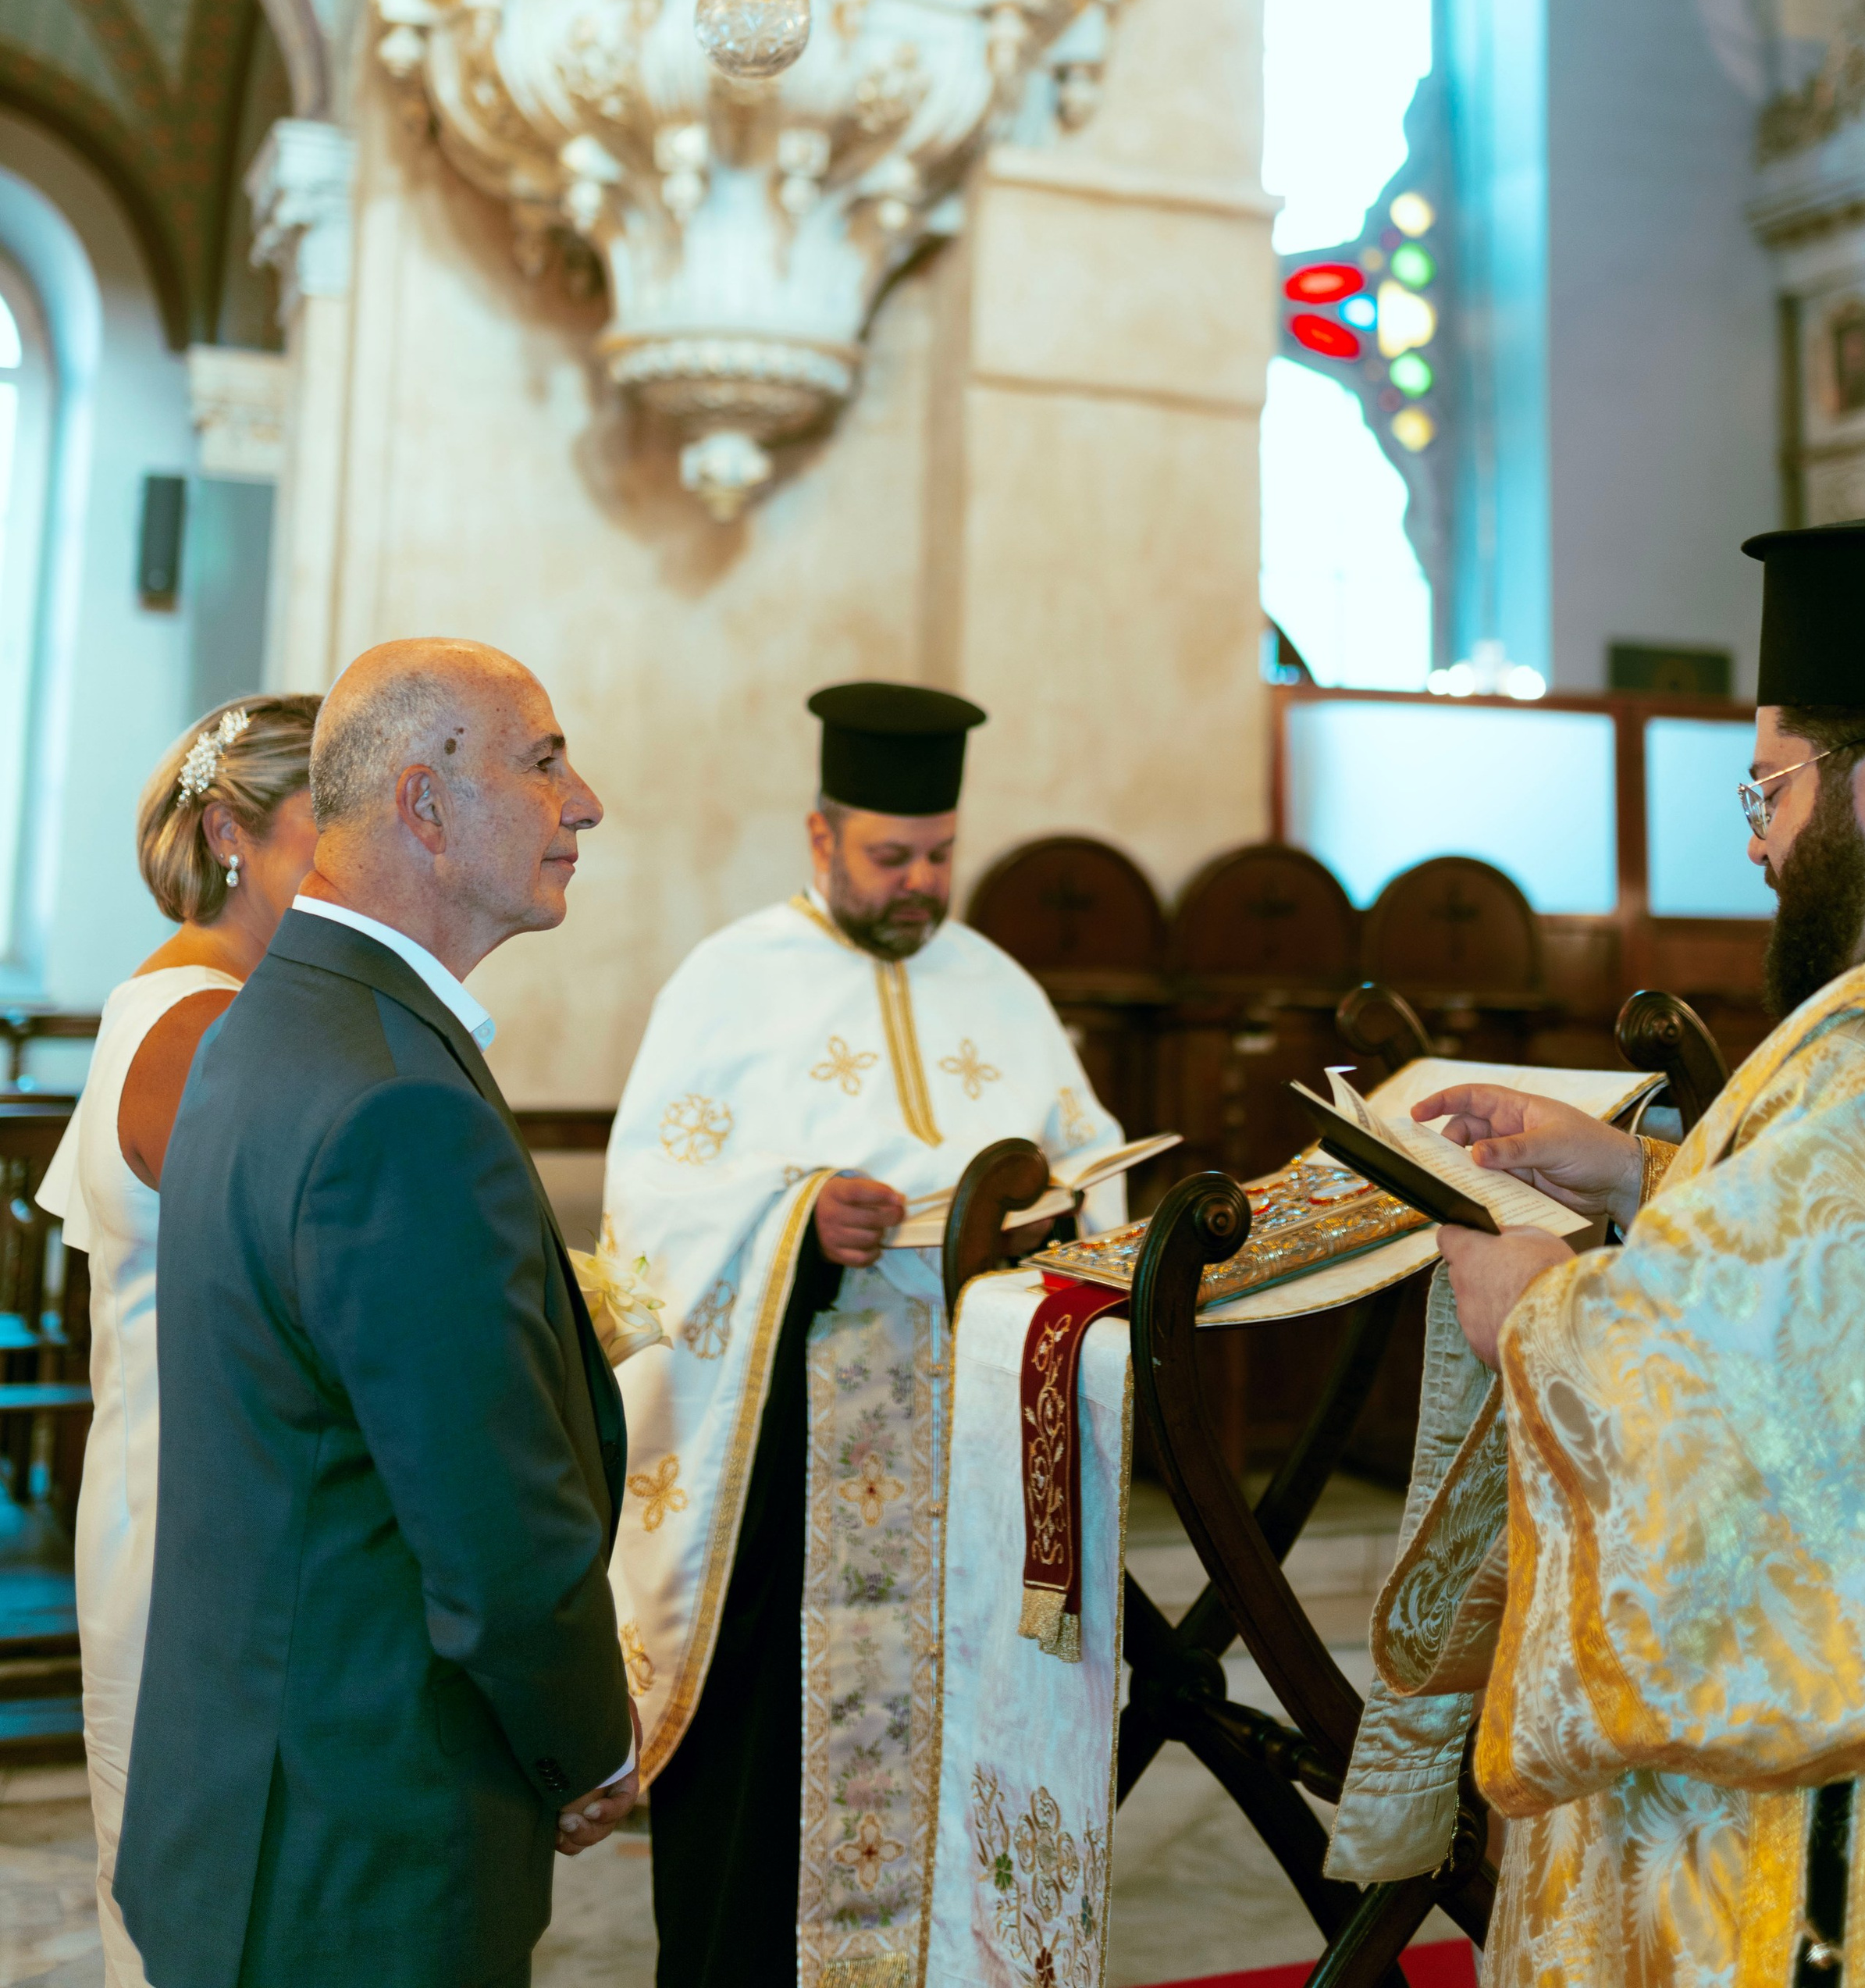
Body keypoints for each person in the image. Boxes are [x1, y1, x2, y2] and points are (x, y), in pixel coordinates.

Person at [1346, 516, 1865, 1985]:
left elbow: (1772, 1415)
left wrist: (1535, 1310)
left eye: (1770, 788)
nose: (1760, 842)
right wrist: (1643, 1176)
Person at [115, 639, 635, 1988]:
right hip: (358, 1848)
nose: (583, 802)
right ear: (424, 804)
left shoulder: (278, 1019)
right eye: (543, 761)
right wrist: (588, 1741)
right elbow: (492, 1528)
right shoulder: (395, 1096)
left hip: (251, 1805)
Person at [606, 682, 1127, 1988]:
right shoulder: (730, 981)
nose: (920, 882)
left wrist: (1048, 1218)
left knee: (961, 1730)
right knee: (770, 1769)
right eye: (892, 856)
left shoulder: (994, 980)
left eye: (941, 854)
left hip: (974, 1449)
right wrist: (796, 1215)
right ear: (820, 836)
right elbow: (653, 1212)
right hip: (788, 1448)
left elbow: (1090, 1160)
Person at [37, 697, 319, 1988]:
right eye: (340, 823)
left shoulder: (197, 998)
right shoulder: (203, 1021)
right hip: (194, 1508)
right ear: (230, 834)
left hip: (184, 1487)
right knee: (206, 1906)